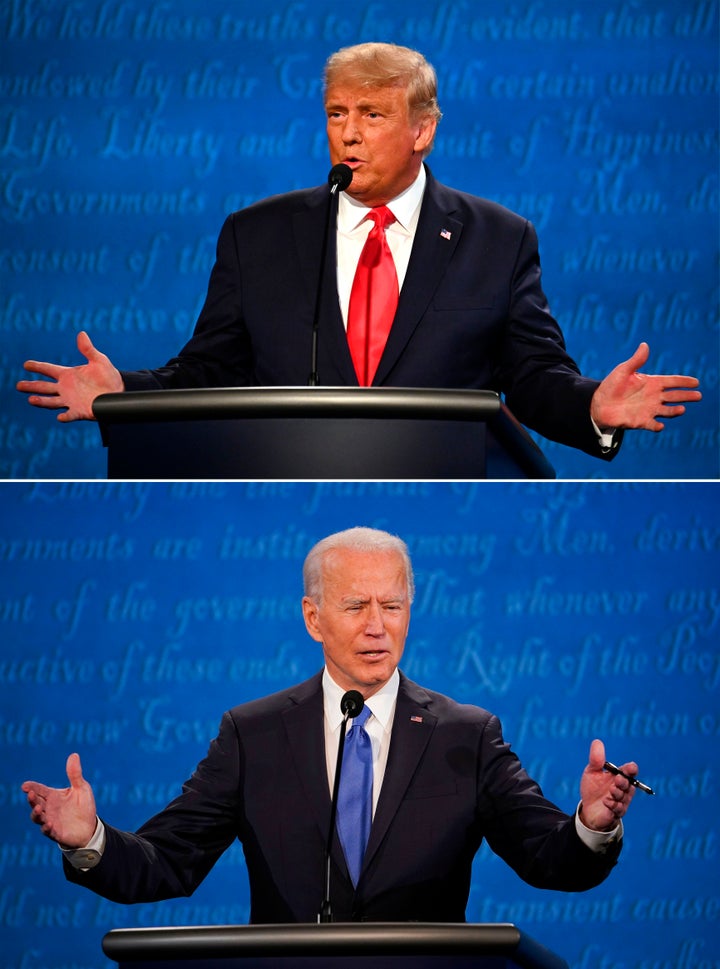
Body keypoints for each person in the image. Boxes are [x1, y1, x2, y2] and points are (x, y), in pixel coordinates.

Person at [16, 44, 700, 460]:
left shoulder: (498, 239)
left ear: (423, 130)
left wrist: (591, 407)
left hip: (448, 498)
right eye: (337, 114)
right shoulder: (258, 235)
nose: (350, 133)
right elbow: (210, 369)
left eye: (373, 116)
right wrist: (124, 393)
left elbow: (532, 376)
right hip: (283, 493)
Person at [22, 526, 639, 923]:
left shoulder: (467, 736)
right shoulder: (252, 733)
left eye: (392, 606)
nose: (377, 626)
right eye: (355, 606)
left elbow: (548, 859)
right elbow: (166, 862)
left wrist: (590, 824)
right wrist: (90, 840)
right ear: (314, 618)